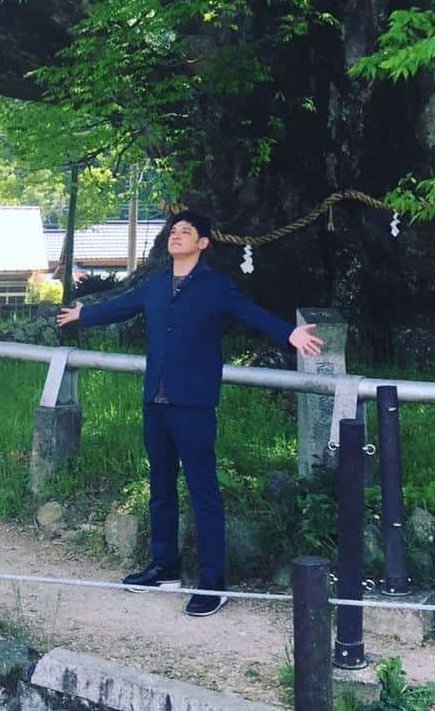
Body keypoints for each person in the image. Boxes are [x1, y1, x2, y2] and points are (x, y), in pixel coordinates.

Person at [56, 208, 322, 616]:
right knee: (160, 486)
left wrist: (289, 333)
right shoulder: (156, 284)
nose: (177, 235)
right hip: (155, 401)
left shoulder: (215, 286)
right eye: (173, 230)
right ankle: (164, 567)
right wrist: (83, 314)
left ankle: (212, 581)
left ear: (203, 243)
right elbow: (122, 305)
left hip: (194, 403)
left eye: (187, 231)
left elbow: (249, 312)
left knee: (203, 489)